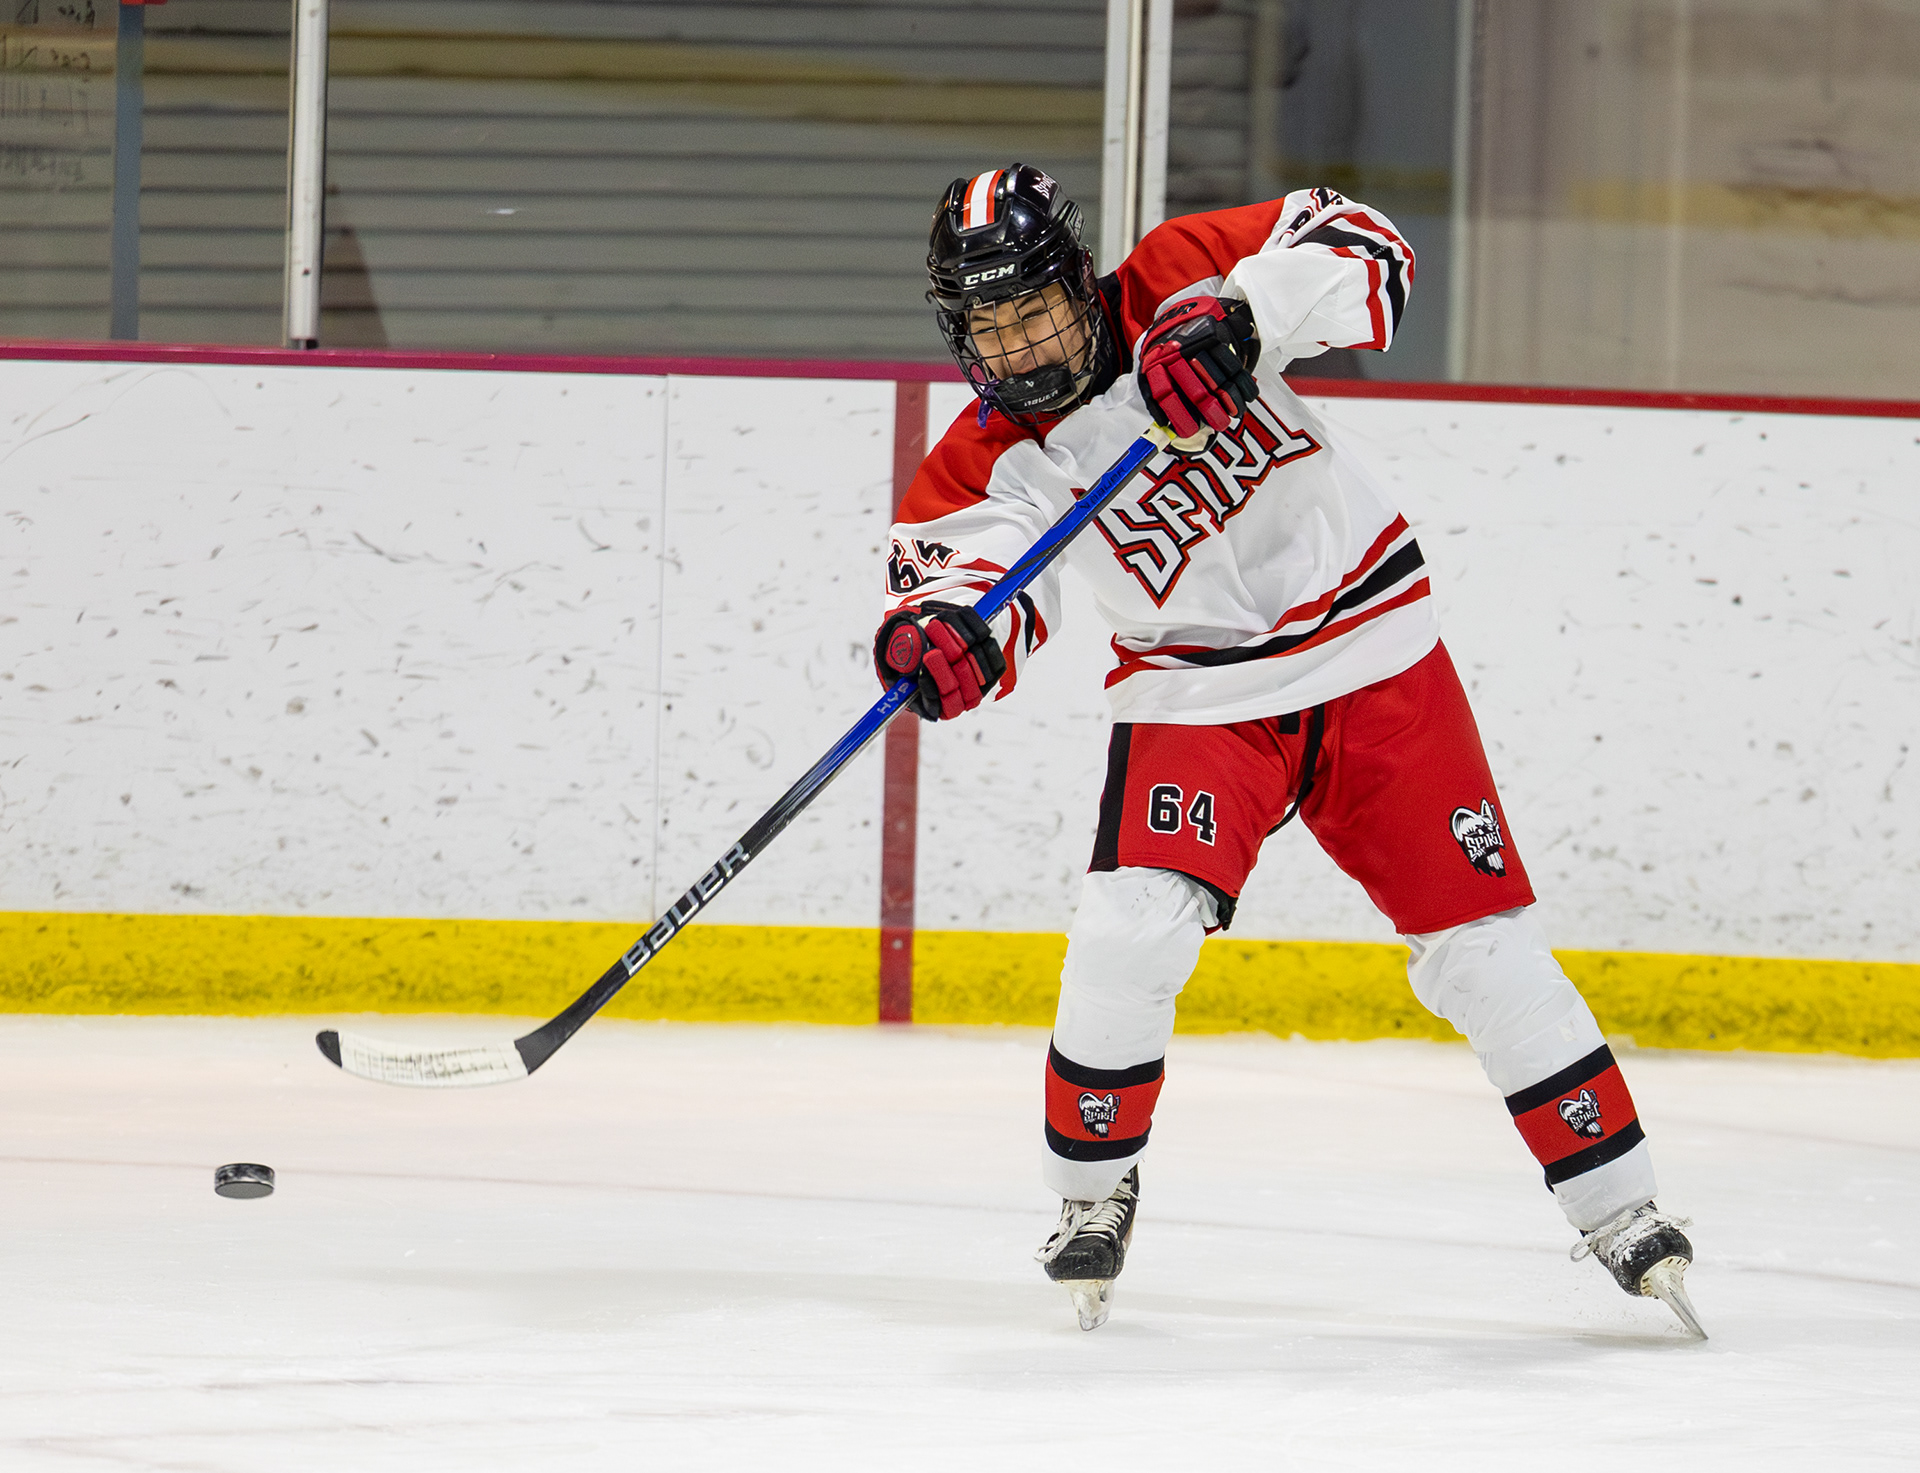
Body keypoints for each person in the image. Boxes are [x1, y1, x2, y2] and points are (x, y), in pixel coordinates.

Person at [872, 164, 1701, 1337]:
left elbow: (1371, 246)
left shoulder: (1177, 273)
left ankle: (1621, 1208)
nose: (1015, 346)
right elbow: (972, 582)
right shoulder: (990, 452)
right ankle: (1090, 1193)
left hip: (1376, 656)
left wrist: (1245, 316)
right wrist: (950, 638)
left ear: (1078, 279)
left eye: (1033, 310)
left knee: (1485, 953)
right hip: (1197, 696)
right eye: (987, 325)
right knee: (1128, 932)